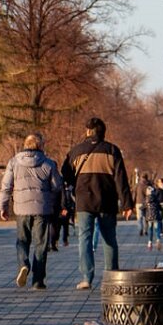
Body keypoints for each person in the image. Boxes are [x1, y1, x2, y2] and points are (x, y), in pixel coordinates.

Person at [61, 116, 133, 291]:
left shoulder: (76, 151)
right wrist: (127, 204)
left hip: (84, 201)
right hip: (107, 200)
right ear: (103, 132)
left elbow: (66, 174)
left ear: (87, 131)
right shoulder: (112, 150)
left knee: (84, 238)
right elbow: (121, 179)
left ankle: (86, 277)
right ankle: (111, 275)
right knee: (109, 238)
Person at [0, 133, 63, 290]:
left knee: (22, 240)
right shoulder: (48, 164)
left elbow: (6, 186)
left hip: (21, 209)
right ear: (40, 146)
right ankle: (38, 280)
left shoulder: (14, 162)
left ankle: (23, 264)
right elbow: (57, 186)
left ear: (25, 145)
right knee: (40, 243)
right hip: (42, 209)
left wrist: (3, 206)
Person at [133, 172, 152, 237]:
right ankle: (145, 230)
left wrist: (132, 203)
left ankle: (140, 229)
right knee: (146, 217)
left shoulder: (137, 185)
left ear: (141, 177)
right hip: (147, 203)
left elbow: (134, 194)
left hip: (139, 202)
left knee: (139, 217)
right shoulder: (149, 185)